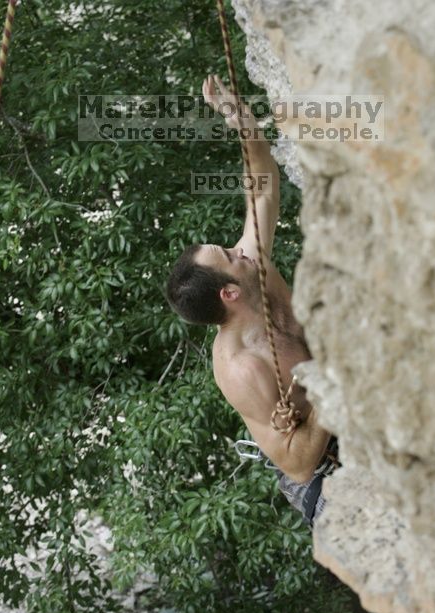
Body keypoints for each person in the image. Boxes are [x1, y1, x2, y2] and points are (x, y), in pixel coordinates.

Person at [166, 75, 338, 527]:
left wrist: (237, 117)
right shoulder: (242, 367)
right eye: (228, 255)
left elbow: (261, 187)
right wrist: (326, 393)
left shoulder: (254, 269)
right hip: (323, 477)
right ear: (229, 294)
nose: (239, 247)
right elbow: (298, 462)